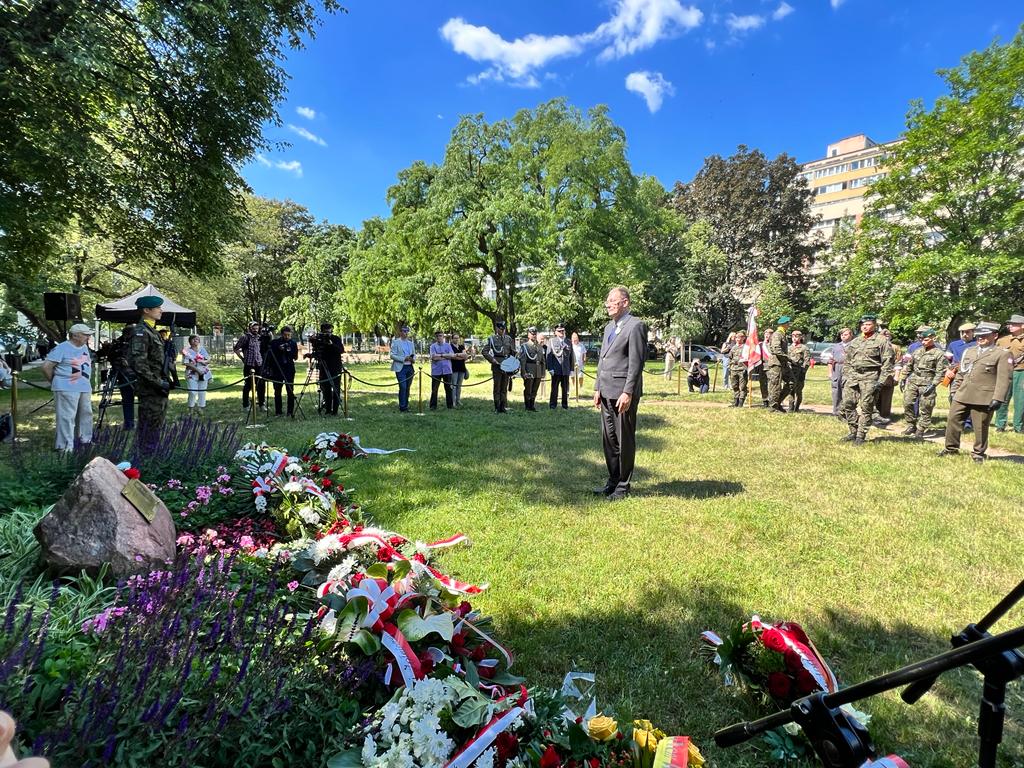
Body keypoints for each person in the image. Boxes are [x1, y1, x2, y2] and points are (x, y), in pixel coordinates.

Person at [593, 286, 647, 501]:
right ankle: (613, 481)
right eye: (607, 300)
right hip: (606, 391)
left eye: (612, 300)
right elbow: (602, 360)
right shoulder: (608, 328)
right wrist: (597, 387)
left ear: (625, 302)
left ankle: (623, 486)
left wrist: (628, 392)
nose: (608, 304)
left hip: (622, 393)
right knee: (609, 439)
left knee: (624, 440)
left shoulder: (636, 326)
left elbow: (636, 362)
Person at [939, 321, 1012, 462]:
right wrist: (954, 390)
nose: (980, 337)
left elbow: (1004, 379)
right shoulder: (969, 351)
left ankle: (978, 453)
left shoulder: (1002, 354)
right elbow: (961, 373)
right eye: (979, 335)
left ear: (995, 336)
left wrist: (998, 398)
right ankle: (950, 448)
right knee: (953, 420)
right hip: (963, 393)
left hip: (984, 396)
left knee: (980, 427)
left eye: (985, 335)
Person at [838, 315, 895, 445]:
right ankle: (853, 430)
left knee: (866, 407)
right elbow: (848, 361)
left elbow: (888, 362)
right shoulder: (855, 341)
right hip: (853, 376)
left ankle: (860, 435)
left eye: (868, 324)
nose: (865, 326)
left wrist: (881, 381)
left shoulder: (881, 341)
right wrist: (846, 376)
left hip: (871, 377)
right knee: (848, 404)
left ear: (874, 326)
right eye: (863, 324)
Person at [42, 323, 94, 452]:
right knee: (66, 417)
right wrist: (55, 381)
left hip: (83, 387)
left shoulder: (83, 347)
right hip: (66, 387)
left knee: (86, 414)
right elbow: (46, 367)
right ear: (75, 335)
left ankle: (84, 441)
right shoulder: (62, 348)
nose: (88, 337)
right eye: (85, 335)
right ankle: (64, 446)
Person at [128, 295, 172, 449]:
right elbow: (139, 364)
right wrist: (158, 382)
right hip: (150, 388)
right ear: (146, 310)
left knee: (156, 426)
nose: (161, 310)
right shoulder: (141, 331)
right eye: (158, 308)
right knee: (148, 428)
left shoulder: (151, 330)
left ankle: (152, 456)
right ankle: (145, 460)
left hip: (158, 388)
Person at [899, 328, 945, 438]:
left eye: (926, 339)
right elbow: (910, 365)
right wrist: (903, 378)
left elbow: (940, 371)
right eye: (922, 340)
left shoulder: (938, 353)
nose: (923, 342)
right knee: (908, 402)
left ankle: (921, 428)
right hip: (914, 380)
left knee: (926, 406)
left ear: (933, 338)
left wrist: (933, 384)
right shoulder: (917, 351)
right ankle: (911, 424)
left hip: (928, 382)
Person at [994, 313, 1024, 434]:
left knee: (1020, 400)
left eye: (1014, 324)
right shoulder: (1002, 340)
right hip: (1004, 373)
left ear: (1022, 326)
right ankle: (1000, 425)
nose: (1010, 326)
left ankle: (1019, 426)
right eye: (1010, 324)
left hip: (1021, 372)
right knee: (1002, 398)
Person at [482, 320, 515, 413]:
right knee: (497, 387)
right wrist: (492, 360)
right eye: (501, 329)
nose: (502, 331)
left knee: (504, 387)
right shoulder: (492, 339)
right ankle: (497, 407)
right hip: (497, 364)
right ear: (497, 329)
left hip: (507, 364)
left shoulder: (508, 339)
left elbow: (512, 351)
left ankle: (503, 406)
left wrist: (514, 360)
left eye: (503, 329)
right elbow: (484, 351)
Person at [234, 321, 265, 412]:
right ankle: (245, 405)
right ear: (249, 328)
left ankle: (261, 403)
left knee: (261, 385)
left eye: (257, 328)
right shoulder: (245, 337)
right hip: (249, 364)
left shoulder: (259, 338)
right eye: (253, 328)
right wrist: (242, 358)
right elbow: (236, 348)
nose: (255, 330)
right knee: (248, 385)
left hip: (258, 364)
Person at [313, 322, 344, 416]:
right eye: (325, 332)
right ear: (322, 331)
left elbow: (341, 350)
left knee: (335, 389)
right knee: (326, 389)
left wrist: (331, 344)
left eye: (329, 332)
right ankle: (327, 409)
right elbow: (317, 352)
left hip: (335, 367)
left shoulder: (336, 339)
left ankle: (335, 411)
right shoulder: (319, 339)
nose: (327, 334)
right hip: (323, 366)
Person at [267, 326, 299, 417]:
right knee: (277, 390)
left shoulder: (293, 343)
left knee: (290, 390)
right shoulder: (275, 343)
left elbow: (295, 357)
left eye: (289, 335)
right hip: (277, 369)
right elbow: (270, 356)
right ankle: (278, 411)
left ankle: (290, 411)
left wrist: (288, 351)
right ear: (282, 334)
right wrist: (278, 349)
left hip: (289, 369)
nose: (287, 337)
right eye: (285, 335)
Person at [766, 317, 792, 412]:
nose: (789, 325)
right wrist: (789, 358)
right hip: (776, 363)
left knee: (791, 382)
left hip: (783, 363)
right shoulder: (777, 334)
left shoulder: (783, 334)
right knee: (776, 385)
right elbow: (776, 350)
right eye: (788, 323)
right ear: (784, 324)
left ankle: (777, 403)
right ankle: (773, 407)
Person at [546, 324, 574, 409]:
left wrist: (571, 369)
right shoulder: (552, 341)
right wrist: (550, 368)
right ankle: (553, 404)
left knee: (565, 388)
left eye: (563, 331)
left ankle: (565, 405)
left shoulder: (568, 342)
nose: (561, 332)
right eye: (559, 331)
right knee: (554, 388)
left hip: (565, 369)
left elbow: (571, 356)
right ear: (555, 332)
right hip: (556, 369)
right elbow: (549, 356)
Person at [389, 324, 415, 413]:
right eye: (404, 331)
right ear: (400, 332)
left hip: (410, 367)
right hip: (401, 368)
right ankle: (402, 407)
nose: (406, 333)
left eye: (407, 331)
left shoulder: (411, 343)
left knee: (407, 387)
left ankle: (406, 405)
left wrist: (412, 359)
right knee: (403, 387)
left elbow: (414, 354)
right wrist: (403, 359)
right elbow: (392, 355)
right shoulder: (396, 342)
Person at [829, 327, 854, 417]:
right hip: (837, 368)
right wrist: (830, 372)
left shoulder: (854, 345)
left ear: (851, 335)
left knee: (847, 390)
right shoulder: (836, 346)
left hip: (849, 368)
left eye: (846, 334)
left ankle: (846, 411)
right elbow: (830, 360)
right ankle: (836, 411)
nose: (843, 336)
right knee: (836, 389)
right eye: (842, 334)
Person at [875, 328, 899, 420]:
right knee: (874, 395)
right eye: (883, 335)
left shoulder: (895, 348)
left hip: (888, 375)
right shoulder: (876, 345)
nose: (886, 337)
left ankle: (884, 415)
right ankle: (874, 415)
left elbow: (898, 363)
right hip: (876, 374)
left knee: (886, 396)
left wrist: (896, 376)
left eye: (888, 336)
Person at [181, 335, 211, 410]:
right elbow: (186, 363)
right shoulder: (186, 351)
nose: (196, 340)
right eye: (193, 339)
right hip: (191, 374)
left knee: (202, 391)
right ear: (190, 341)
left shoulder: (202, 349)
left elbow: (208, 359)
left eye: (197, 339)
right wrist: (197, 370)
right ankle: (191, 407)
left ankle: (201, 408)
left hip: (203, 373)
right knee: (192, 391)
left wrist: (203, 361)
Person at [518, 327, 544, 411]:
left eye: (535, 334)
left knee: (535, 389)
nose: (534, 335)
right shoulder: (525, 346)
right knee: (528, 388)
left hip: (538, 370)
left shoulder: (539, 346)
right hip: (529, 369)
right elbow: (522, 360)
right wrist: (523, 372)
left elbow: (543, 360)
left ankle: (532, 405)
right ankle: (527, 405)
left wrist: (543, 372)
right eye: (532, 334)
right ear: (528, 335)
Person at [429, 330, 455, 410]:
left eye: (440, 336)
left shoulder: (448, 346)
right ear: (435, 337)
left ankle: (450, 406)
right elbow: (434, 357)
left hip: (447, 370)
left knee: (448, 389)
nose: (439, 337)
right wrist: (445, 356)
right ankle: (433, 406)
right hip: (436, 371)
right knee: (434, 389)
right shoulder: (432, 346)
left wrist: (440, 355)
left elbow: (452, 355)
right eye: (437, 336)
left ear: (443, 336)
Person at [787, 330, 811, 412]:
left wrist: (803, 371)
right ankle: (790, 407)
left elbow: (807, 361)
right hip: (790, 372)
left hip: (799, 372)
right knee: (790, 390)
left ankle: (796, 408)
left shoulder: (804, 348)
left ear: (800, 337)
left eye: (796, 336)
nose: (794, 338)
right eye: (793, 336)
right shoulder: (789, 348)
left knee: (798, 391)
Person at [449, 333, 470, 407]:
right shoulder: (450, 347)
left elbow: (465, 356)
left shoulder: (461, 346)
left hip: (462, 368)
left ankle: (458, 400)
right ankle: (453, 402)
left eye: (457, 338)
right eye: (455, 338)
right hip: (454, 368)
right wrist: (460, 356)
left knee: (459, 385)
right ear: (452, 339)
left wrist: (457, 355)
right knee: (454, 385)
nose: (456, 339)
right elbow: (452, 357)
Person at [728, 330, 748, 406]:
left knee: (742, 387)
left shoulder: (746, 347)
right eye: (736, 337)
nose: (737, 339)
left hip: (742, 369)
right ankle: (735, 401)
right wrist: (730, 366)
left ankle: (741, 402)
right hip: (734, 369)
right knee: (734, 385)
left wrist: (746, 368)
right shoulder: (733, 347)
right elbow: (730, 357)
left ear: (743, 338)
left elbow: (748, 359)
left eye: (739, 337)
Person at [756, 328, 773, 407]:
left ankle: (772, 400)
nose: (767, 336)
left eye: (769, 334)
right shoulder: (760, 345)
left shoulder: (773, 344)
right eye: (766, 334)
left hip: (771, 366)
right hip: (762, 366)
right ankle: (765, 400)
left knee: (772, 384)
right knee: (763, 384)